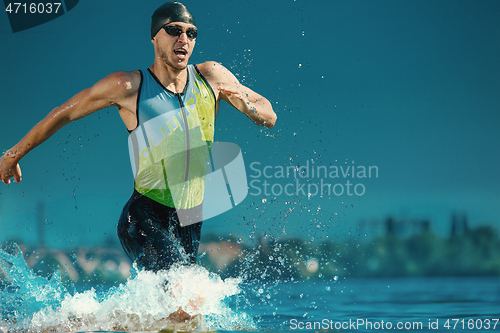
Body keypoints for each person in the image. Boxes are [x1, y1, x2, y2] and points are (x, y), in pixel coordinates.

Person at [0, 2, 276, 274]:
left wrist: (250, 108)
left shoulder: (211, 77)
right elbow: (63, 113)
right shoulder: (130, 86)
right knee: (182, 291)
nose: (184, 39)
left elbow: (268, 114)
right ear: (155, 38)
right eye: (174, 30)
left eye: (191, 33)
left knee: (184, 312)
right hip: (143, 216)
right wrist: (14, 154)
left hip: (190, 219)